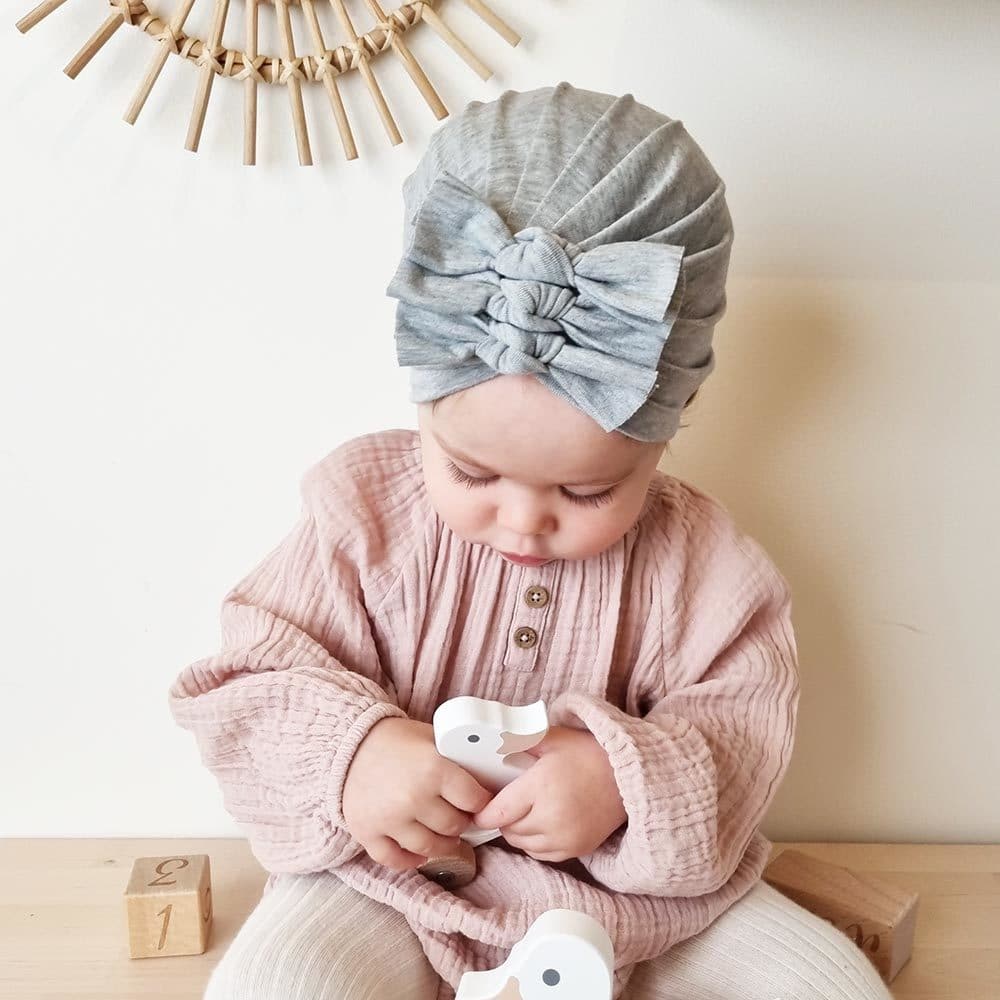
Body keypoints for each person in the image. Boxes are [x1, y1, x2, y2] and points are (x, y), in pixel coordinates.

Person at [169, 82, 893, 1000]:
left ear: (670, 423)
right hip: (394, 886)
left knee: (831, 987)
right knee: (276, 986)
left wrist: (622, 784)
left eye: (588, 489)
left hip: (646, 905)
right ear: (422, 401)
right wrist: (356, 755)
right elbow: (248, 676)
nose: (521, 522)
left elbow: (741, 730)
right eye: (470, 473)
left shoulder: (707, 563)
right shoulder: (362, 512)